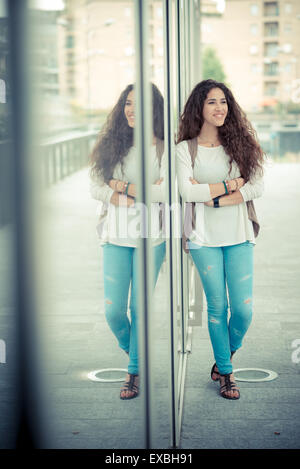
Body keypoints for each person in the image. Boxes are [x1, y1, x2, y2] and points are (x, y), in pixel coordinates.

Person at [176, 79, 265, 400]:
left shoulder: (241, 143)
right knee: (217, 307)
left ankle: (223, 358)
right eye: (212, 102)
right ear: (199, 107)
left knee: (243, 310)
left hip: (238, 233)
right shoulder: (183, 150)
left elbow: (256, 186)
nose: (220, 108)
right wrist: (233, 185)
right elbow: (188, 191)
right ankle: (226, 374)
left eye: (224, 101)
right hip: (202, 237)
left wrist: (213, 196)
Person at [89, 83, 166, 400]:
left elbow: (163, 193)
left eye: (141, 104)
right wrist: (119, 193)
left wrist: (121, 187)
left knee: (140, 307)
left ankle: (133, 372)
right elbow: (96, 187)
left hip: (153, 238)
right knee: (114, 312)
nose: (132, 110)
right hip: (116, 236)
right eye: (128, 103)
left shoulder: (164, 149)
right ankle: (137, 355)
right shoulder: (111, 146)